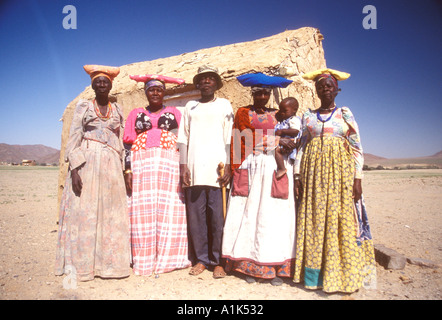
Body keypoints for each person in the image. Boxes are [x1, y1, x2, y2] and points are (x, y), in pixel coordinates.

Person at [293, 68, 376, 293]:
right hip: (313, 176)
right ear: (316, 90)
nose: (325, 89)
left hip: (340, 174)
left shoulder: (344, 114)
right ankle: (313, 276)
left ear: (336, 90)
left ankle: (344, 273)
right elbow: (302, 146)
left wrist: (358, 178)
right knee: (315, 219)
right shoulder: (308, 116)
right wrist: (297, 176)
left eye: (329, 86)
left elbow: (357, 147)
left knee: (342, 218)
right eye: (321, 86)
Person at [55, 64, 130, 281]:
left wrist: (125, 168)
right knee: (85, 211)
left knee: (111, 211)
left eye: (105, 82)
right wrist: (75, 169)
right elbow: (74, 138)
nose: (102, 85)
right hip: (88, 162)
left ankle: (110, 265)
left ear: (110, 85)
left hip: (112, 164)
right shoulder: (84, 107)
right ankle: (83, 265)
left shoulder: (118, 109)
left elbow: (122, 138)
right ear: (93, 86)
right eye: (98, 82)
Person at [221, 73, 297, 286]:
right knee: (250, 214)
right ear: (253, 94)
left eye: (266, 93)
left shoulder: (278, 114)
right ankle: (248, 264)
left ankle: (274, 265)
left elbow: (291, 134)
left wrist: (281, 139)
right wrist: (235, 169)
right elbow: (238, 139)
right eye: (258, 93)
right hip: (251, 165)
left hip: (273, 165)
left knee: (272, 215)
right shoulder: (243, 112)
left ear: (269, 94)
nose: (262, 96)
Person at [123, 74, 191, 276]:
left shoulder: (174, 112)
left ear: (164, 93)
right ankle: (143, 258)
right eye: (151, 89)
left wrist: (183, 166)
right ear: (146, 92)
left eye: (159, 90)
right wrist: (127, 169)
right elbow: (128, 143)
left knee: (169, 207)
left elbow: (183, 140)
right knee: (143, 208)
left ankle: (169, 257)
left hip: (168, 165)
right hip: (142, 165)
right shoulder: (136, 113)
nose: (155, 93)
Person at [177, 65, 234, 279]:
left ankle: (217, 261)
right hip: (194, 169)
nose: (207, 82)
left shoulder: (224, 105)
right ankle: (201, 259)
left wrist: (229, 165)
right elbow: (183, 138)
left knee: (218, 219)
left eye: (211, 78)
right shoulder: (190, 107)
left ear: (216, 83)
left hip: (217, 170)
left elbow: (230, 136)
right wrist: (184, 166)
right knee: (196, 219)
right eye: (203, 79)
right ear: (198, 84)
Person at [274, 97, 301, 179]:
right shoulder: (284, 121)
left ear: (294, 110)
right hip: (284, 142)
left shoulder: (294, 120)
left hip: (290, 142)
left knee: (276, 151)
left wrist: (282, 132)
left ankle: (282, 168)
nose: (282, 113)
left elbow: (296, 131)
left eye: (285, 111)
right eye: (280, 110)